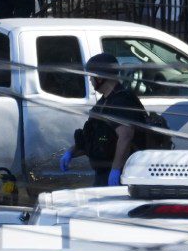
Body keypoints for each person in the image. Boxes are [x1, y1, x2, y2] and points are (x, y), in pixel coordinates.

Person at [59, 53, 146, 186]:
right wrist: (71, 152)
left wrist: (116, 170)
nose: (90, 80)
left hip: (122, 173)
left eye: (91, 76)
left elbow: (125, 137)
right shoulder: (104, 102)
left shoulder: (121, 100)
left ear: (100, 77)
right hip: (103, 173)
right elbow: (96, 140)